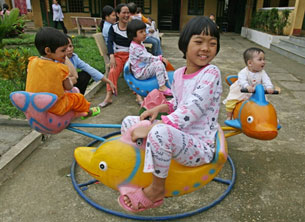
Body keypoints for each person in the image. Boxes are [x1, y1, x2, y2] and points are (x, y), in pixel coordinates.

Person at [118, 16, 222, 212]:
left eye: (212, 43)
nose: (206, 48)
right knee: (130, 122)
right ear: (185, 44)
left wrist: (157, 125)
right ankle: (137, 170)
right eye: (199, 42)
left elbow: (192, 108)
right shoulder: (180, 74)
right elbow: (178, 102)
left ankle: (156, 190)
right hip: (178, 137)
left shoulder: (212, 73)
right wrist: (158, 109)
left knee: (160, 132)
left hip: (199, 145)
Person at [25, 27, 100, 119]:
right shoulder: (60, 68)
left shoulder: (32, 62)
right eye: (63, 50)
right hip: (54, 106)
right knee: (77, 98)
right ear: (48, 51)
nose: (66, 53)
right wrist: (70, 80)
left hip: (33, 105)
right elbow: (69, 87)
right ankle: (86, 112)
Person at [224, 47, 274, 120]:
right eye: (260, 59)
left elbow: (267, 80)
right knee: (231, 102)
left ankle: (266, 119)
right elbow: (242, 81)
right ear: (250, 63)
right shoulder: (243, 72)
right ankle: (229, 116)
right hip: (241, 91)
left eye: (264, 59)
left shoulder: (262, 73)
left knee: (265, 104)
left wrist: (269, 87)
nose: (263, 62)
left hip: (256, 92)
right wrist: (246, 86)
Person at [127, 19, 172, 96]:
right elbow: (147, 57)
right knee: (158, 64)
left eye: (145, 31)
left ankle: (166, 81)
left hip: (143, 68)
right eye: (141, 32)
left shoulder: (139, 43)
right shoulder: (135, 47)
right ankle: (162, 87)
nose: (144, 33)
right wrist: (160, 58)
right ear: (133, 35)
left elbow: (146, 56)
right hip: (140, 73)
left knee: (158, 63)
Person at [100, 3, 131, 108]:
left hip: (130, 55)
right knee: (112, 71)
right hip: (117, 56)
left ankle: (139, 96)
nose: (126, 15)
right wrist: (112, 56)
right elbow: (109, 43)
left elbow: (137, 42)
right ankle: (108, 97)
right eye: (124, 12)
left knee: (135, 70)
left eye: (128, 12)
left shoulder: (132, 27)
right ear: (118, 14)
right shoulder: (113, 28)